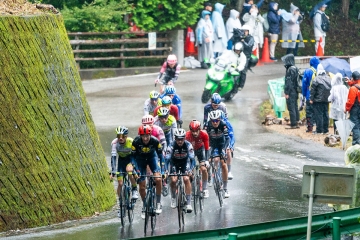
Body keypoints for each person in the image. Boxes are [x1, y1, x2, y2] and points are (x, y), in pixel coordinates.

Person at [132, 125, 165, 217]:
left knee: (158, 179)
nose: (145, 138)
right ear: (140, 136)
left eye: (147, 136)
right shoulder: (136, 141)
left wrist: (162, 171)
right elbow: (133, 157)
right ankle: (145, 205)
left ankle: (158, 203)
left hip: (152, 158)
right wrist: (136, 169)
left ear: (150, 134)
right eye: (143, 136)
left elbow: (161, 157)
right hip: (140, 160)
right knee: (142, 186)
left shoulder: (155, 141)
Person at [166, 128, 196, 212]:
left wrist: (190, 170)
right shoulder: (171, 146)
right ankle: (173, 197)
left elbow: (192, 159)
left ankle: (189, 203)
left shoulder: (188, 145)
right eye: (178, 139)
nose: (180, 141)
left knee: (186, 179)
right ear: (175, 138)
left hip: (185, 163)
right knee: (174, 179)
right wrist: (166, 171)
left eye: (182, 139)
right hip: (174, 163)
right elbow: (167, 160)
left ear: (184, 138)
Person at [111, 126, 138, 218]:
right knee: (120, 183)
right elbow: (113, 158)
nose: (120, 138)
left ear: (126, 136)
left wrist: (134, 166)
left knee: (129, 172)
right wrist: (113, 171)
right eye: (119, 136)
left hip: (130, 159)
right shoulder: (115, 143)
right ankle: (121, 204)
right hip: (121, 161)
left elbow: (136, 155)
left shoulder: (131, 142)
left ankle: (134, 189)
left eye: (123, 136)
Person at [204, 110, 230, 198]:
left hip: (221, 144)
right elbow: (204, 139)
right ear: (210, 120)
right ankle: (209, 177)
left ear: (219, 119)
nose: (215, 123)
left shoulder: (223, 124)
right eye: (213, 121)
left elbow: (227, 139)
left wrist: (224, 149)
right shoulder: (207, 125)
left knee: (223, 164)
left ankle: (225, 188)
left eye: (217, 120)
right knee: (207, 161)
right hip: (211, 144)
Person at [185, 120, 210, 198]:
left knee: (204, 169)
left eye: (196, 131)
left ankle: (205, 189)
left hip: (200, 150)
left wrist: (206, 160)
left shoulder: (204, 134)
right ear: (190, 130)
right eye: (193, 131)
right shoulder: (187, 135)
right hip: (190, 151)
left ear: (200, 129)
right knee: (189, 171)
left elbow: (206, 149)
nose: (195, 133)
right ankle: (191, 186)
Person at [309, 64, 331, 134]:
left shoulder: (316, 78)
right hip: (326, 99)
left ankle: (319, 130)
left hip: (318, 100)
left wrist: (311, 99)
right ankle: (325, 129)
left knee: (319, 115)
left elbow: (313, 90)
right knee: (325, 114)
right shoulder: (328, 78)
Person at [301, 56, 320, 133]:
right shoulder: (320, 71)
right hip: (319, 95)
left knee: (309, 111)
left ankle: (310, 127)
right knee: (318, 111)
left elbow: (304, 84)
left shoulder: (308, 71)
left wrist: (304, 94)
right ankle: (319, 127)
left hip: (310, 94)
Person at [281, 53, 300, 129]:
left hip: (291, 91)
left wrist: (286, 92)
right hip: (295, 90)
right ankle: (297, 121)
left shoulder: (290, 70)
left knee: (291, 107)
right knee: (295, 106)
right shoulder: (295, 68)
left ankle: (293, 124)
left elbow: (288, 82)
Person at [219, 110, 235, 180]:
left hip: (225, 140)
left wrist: (231, 145)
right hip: (215, 140)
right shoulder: (210, 123)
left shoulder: (227, 123)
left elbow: (231, 136)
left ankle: (229, 171)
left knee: (228, 150)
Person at [345, 71, 360, 145]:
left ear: (353, 78)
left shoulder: (353, 89)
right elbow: (355, 83)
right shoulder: (356, 85)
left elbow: (350, 102)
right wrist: (349, 82)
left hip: (355, 109)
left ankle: (356, 144)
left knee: (355, 126)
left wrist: (346, 109)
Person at [239, 25, 255, 90]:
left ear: (249, 31)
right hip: (239, 54)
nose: (244, 32)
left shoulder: (251, 38)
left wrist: (243, 42)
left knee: (243, 70)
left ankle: (241, 85)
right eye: (243, 31)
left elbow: (249, 46)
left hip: (246, 55)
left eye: (246, 31)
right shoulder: (240, 37)